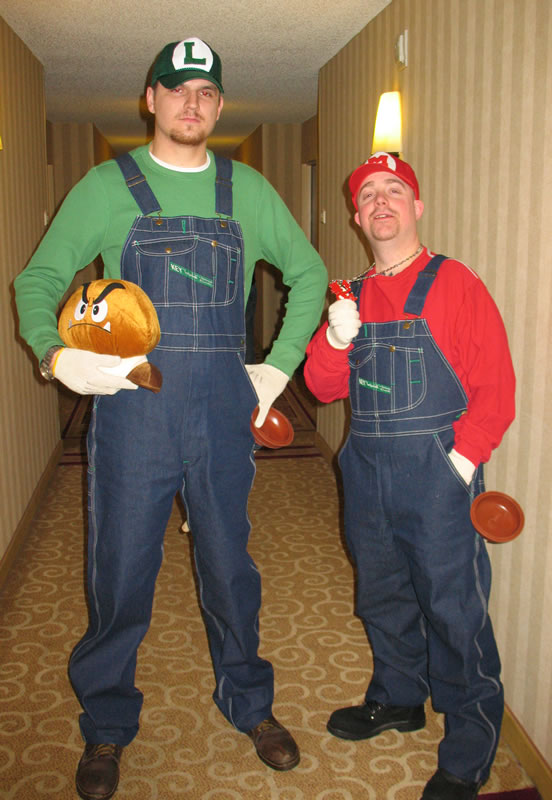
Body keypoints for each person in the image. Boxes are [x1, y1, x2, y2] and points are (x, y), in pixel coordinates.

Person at [14, 36, 327, 800]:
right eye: (178, 88)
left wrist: (278, 365)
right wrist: (56, 355)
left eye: (206, 92)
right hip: (134, 415)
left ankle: (249, 702)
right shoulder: (105, 187)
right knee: (120, 571)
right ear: (150, 99)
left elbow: (310, 272)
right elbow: (39, 278)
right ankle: (107, 722)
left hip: (221, 413)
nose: (193, 102)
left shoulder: (247, 190)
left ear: (219, 106)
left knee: (230, 566)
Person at [304, 152, 515, 800]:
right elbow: (320, 386)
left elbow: (496, 387)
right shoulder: (350, 295)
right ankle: (398, 697)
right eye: (368, 193)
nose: (381, 201)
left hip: (437, 469)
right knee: (382, 593)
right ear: (356, 216)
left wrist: (462, 461)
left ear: (416, 206)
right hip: (366, 467)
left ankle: (470, 746)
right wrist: (335, 340)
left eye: (394, 190)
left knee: (454, 608)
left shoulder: (457, 283)